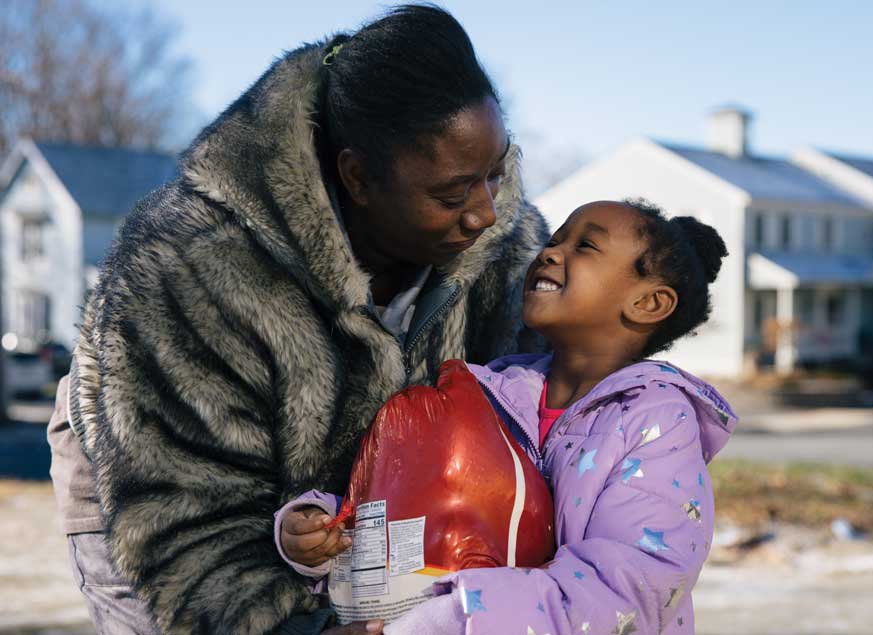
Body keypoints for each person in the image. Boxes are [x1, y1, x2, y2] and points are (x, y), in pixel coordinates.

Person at [50, 5, 548, 634]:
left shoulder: (507, 246)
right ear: (357, 177)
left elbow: (572, 403)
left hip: (352, 522)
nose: (484, 213)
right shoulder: (192, 266)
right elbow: (186, 525)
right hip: (157, 496)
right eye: (452, 196)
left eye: (496, 174)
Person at [279, 199, 739, 634]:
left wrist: (449, 620)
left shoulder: (656, 423)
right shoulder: (490, 390)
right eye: (555, 239)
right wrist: (322, 528)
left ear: (648, 303)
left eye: (585, 245)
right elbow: (409, 493)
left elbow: (627, 589)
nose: (550, 252)